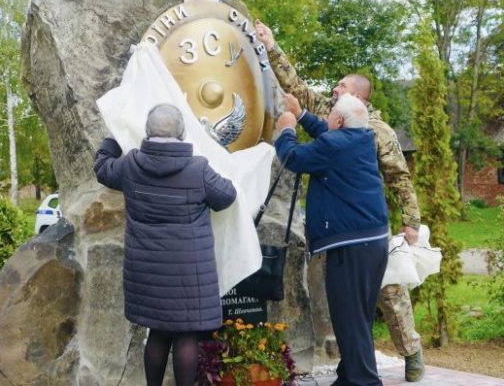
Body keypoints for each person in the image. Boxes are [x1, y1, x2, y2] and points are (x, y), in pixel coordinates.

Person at [255, 19, 425, 382]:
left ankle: (409, 351)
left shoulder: (378, 132)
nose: (334, 89)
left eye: (342, 86)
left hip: (363, 227)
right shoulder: (345, 122)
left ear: (357, 99)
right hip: (350, 227)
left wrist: (412, 220)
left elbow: (398, 177)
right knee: (350, 309)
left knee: (388, 293)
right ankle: (353, 368)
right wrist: (271, 45)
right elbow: (297, 88)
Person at [93, 103, 237, 386]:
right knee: (186, 335)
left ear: (147, 130)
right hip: (188, 271)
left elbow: (101, 168)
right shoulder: (198, 169)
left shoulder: (131, 164)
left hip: (146, 269)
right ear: (182, 133)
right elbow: (227, 196)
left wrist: (113, 134)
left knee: (157, 332)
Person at [276, 93, 389, 386]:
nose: (326, 119)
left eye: (329, 115)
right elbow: (327, 135)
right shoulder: (362, 139)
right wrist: (302, 115)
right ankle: (349, 377)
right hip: (372, 242)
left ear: (339, 120)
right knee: (357, 317)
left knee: (349, 319)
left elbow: (293, 157)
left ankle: (364, 381)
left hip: (350, 246)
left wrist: (287, 128)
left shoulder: (334, 145)